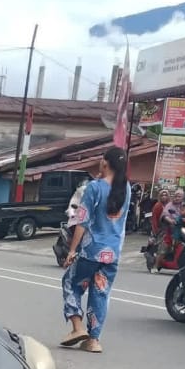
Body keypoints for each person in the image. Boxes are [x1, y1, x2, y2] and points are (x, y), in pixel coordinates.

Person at [60, 144, 131, 354]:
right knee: (100, 294)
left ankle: (77, 327)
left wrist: (72, 251)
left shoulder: (95, 187)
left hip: (92, 250)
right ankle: (93, 340)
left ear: (105, 163)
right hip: (113, 252)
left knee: (70, 283)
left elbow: (82, 221)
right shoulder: (126, 188)